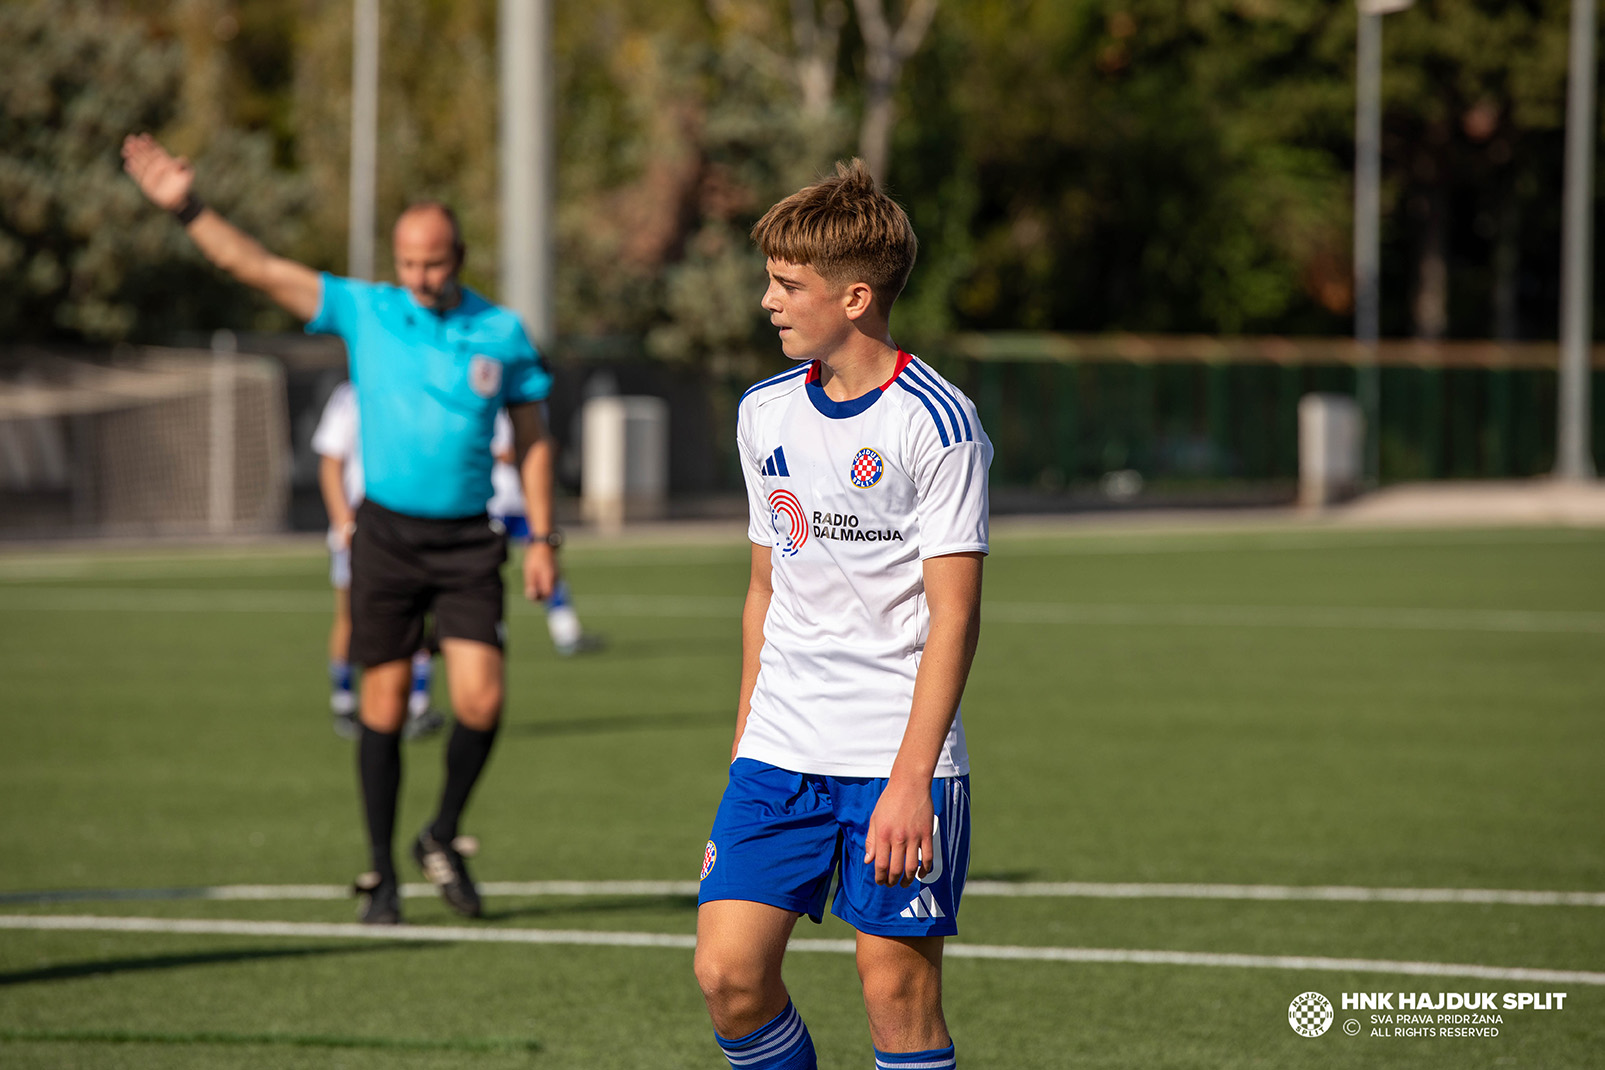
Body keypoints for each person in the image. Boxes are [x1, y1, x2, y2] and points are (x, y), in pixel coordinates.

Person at [122, 132, 561, 926]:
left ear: (459, 255)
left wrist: (543, 539)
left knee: (482, 701)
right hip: (385, 536)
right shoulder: (368, 310)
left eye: (433, 262)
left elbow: (533, 439)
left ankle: (441, 831)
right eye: (408, 263)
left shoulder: (501, 331)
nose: (420, 276)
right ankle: (380, 872)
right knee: (383, 708)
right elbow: (256, 267)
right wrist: (185, 205)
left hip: (468, 540)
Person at [693, 160, 991, 1070]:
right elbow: (763, 586)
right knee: (728, 977)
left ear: (855, 296)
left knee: (895, 1001)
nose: (767, 302)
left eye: (788, 286)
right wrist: (746, 729)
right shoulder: (762, 413)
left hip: (892, 761)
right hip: (779, 751)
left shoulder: (937, 424)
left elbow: (954, 618)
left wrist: (909, 781)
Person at [312, 380, 444, 742]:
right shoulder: (351, 395)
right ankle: (344, 703)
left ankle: (417, 706)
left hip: (415, 528)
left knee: (421, 618)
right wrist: (345, 525)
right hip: (363, 531)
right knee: (351, 617)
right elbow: (330, 463)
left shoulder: (425, 388)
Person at [488, 409, 599, 655]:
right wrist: (534, 448)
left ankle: (566, 632)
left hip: (526, 502)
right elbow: (499, 450)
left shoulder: (534, 400)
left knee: (548, 564)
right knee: (486, 572)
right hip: (498, 501)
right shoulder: (497, 398)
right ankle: (491, 634)